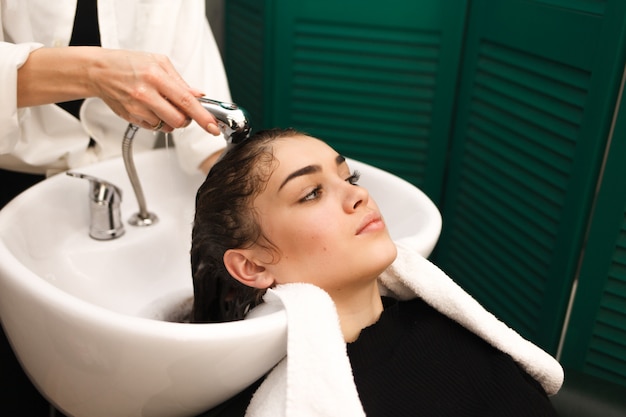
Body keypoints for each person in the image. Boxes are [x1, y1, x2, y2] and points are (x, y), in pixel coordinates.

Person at [189, 128, 562, 416]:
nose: (359, 195)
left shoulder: (445, 319)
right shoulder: (281, 401)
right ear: (252, 266)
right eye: (311, 193)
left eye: (349, 178)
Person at [0, 2, 229, 415]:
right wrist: (95, 72)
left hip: (127, 177)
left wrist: (239, 187)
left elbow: (195, 73)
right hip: (14, 188)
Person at [0, 0, 230, 208]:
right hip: (16, 180)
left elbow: (197, 80)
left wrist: (240, 185)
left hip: (124, 181)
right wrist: (95, 74)